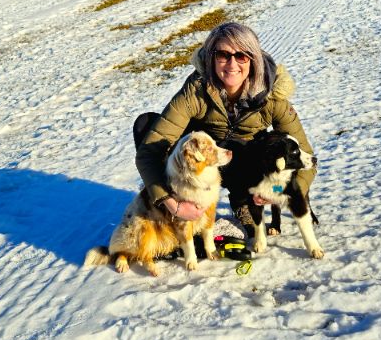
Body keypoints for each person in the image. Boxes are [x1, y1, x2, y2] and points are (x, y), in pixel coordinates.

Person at [134, 21, 315, 235]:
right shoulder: (197, 89)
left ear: (253, 59)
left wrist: (275, 191)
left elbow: (307, 157)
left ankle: (243, 203)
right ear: (211, 57)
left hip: (244, 163)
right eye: (223, 55)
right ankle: (178, 204)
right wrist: (168, 200)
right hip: (207, 154)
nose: (232, 64)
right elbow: (149, 152)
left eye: (241, 56)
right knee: (146, 125)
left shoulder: (272, 94)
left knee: (244, 147)